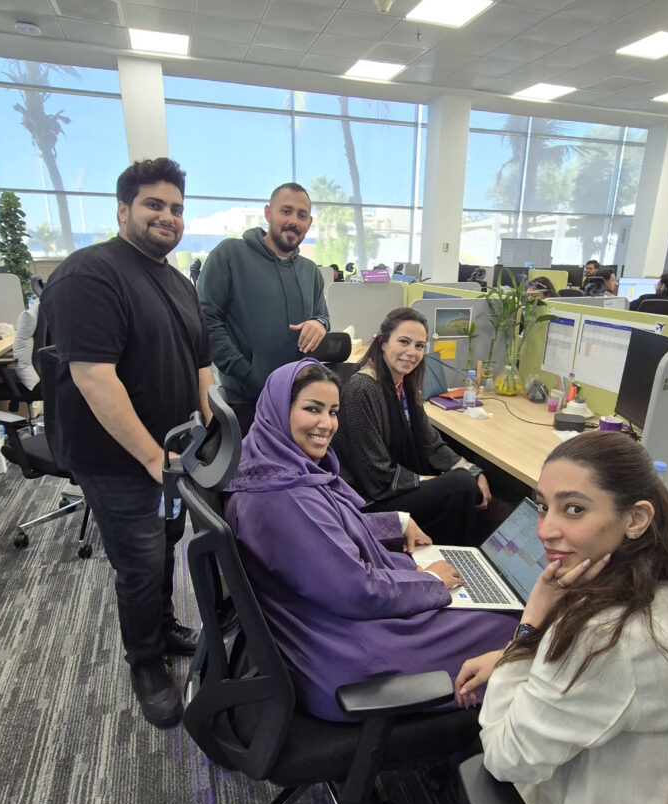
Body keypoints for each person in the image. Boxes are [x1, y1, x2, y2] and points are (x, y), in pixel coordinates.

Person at [442, 431, 668, 804]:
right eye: (543, 506)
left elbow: (504, 756)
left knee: (491, 763)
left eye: (573, 510)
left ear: (636, 518)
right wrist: (514, 654)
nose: (544, 530)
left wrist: (531, 624)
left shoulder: (610, 638)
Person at [224, 359, 518, 722]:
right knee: (507, 626)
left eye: (332, 412)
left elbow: (327, 531)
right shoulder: (284, 498)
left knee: (475, 608)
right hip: (345, 658)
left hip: (317, 632)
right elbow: (357, 589)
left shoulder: (272, 468)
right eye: (312, 409)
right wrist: (429, 583)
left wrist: (396, 522)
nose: (327, 424)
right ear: (276, 410)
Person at [42, 157, 213, 729]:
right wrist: (150, 458)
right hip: (119, 460)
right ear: (123, 210)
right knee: (139, 562)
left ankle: (162, 628)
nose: (167, 217)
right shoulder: (90, 274)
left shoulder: (178, 280)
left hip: (170, 456)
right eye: (154, 205)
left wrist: (209, 427)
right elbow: (95, 377)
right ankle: (144, 662)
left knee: (165, 541)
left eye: (176, 208)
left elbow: (201, 361)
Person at [333, 307, 491, 546]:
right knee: (458, 486)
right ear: (383, 342)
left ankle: (453, 553)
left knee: (467, 480)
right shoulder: (361, 389)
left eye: (419, 346)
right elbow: (375, 473)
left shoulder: (405, 386)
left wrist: (471, 469)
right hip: (370, 501)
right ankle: (454, 556)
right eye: (404, 342)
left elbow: (432, 444)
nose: (411, 352)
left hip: (393, 489)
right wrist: (427, 479)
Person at [197, 182, 330, 435]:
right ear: (268, 213)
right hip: (245, 404)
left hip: (295, 404)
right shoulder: (231, 255)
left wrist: (320, 324)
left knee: (293, 474)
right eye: (286, 211)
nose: (294, 221)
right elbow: (206, 320)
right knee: (248, 474)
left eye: (302, 215)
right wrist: (245, 372)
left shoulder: (310, 271)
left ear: (310, 223)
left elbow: (322, 316)